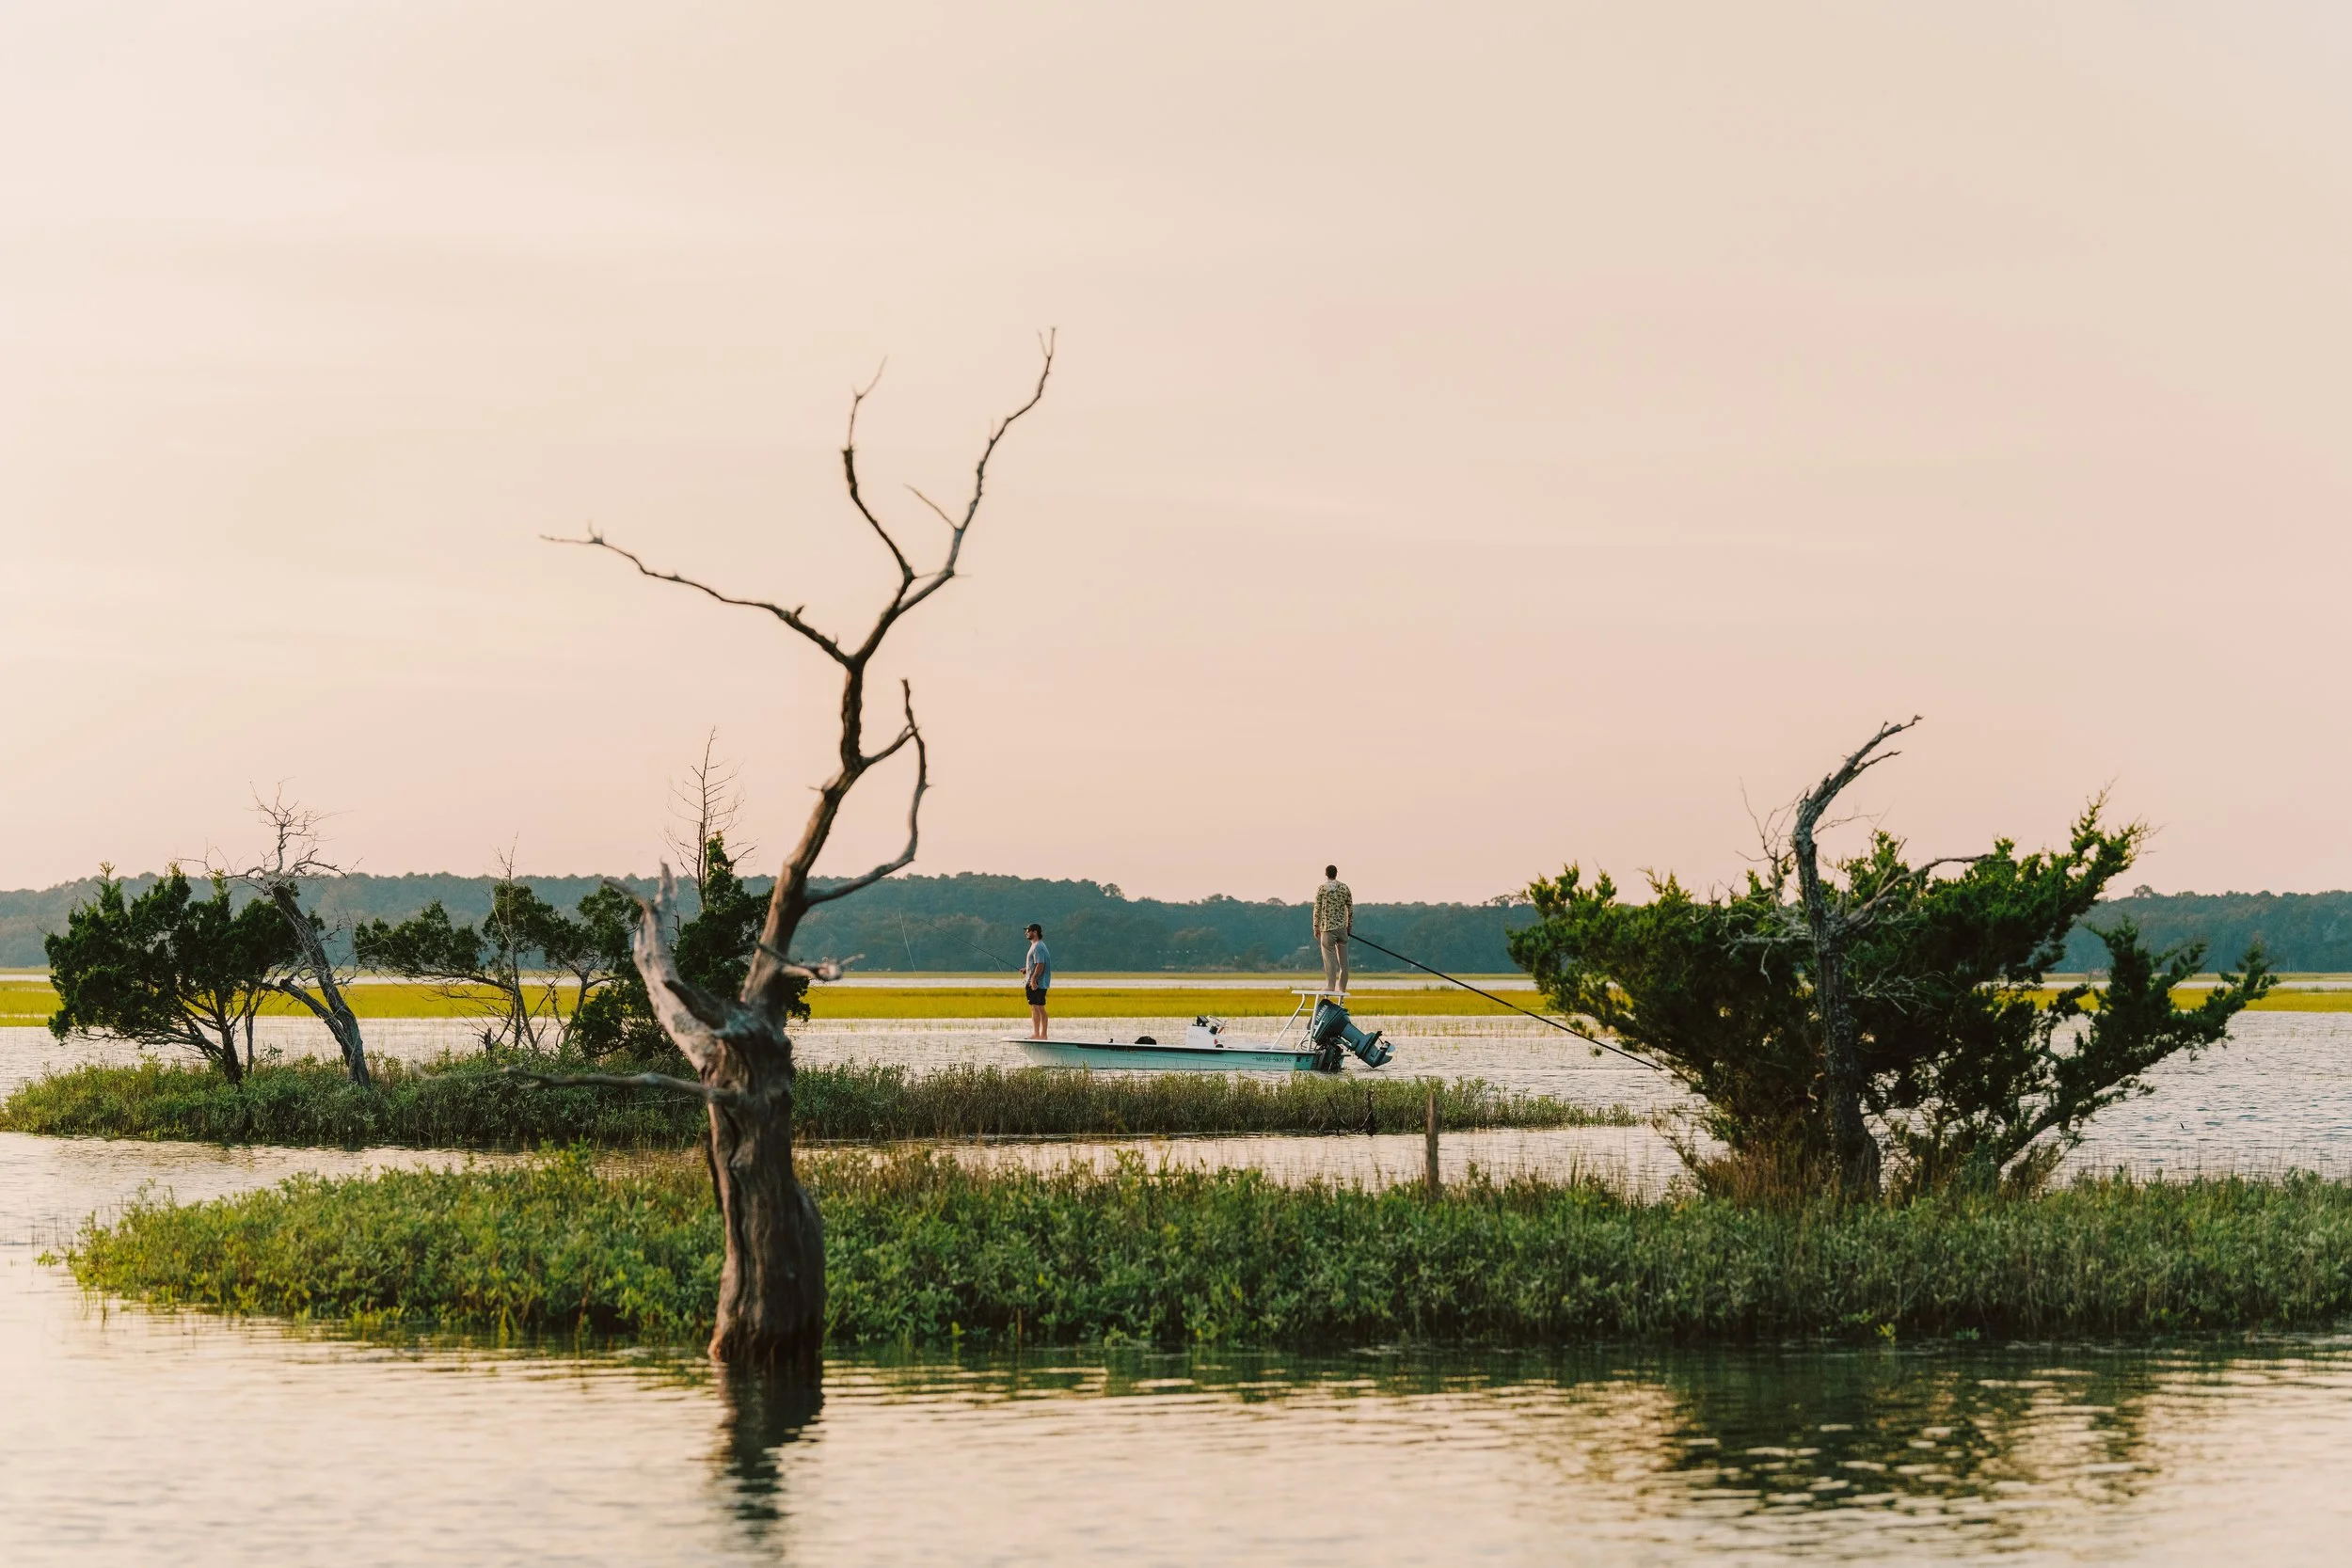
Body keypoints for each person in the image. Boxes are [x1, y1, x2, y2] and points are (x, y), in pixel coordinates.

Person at [1312, 864, 1352, 995]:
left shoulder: (1322, 889)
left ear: (1326, 874)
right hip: (1342, 928)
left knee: (1329, 958)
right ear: (1336, 873)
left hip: (1327, 928)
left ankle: (1330, 986)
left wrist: (1316, 927)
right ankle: (1342, 987)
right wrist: (1349, 926)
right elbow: (1350, 908)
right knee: (1344, 961)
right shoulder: (1344, 888)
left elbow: (1317, 909)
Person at [1021, 923, 1053, 1039]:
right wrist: (1027, 970)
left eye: (1028, 930)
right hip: (1037, 982)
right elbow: (1036, 964)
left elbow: (1040, 964)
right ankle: (1039, 1034)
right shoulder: (1037, 945)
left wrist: (1033, 980)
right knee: (1036, 1007)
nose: (1026, 933)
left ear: (1035, 932)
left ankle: (1040, 1035)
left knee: (1037, 1008)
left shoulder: (1038, 946)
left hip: (1036, 983)